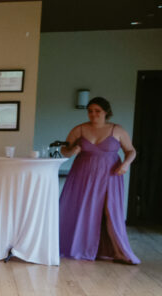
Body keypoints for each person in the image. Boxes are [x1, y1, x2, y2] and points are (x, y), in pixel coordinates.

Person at [59, 96, 140, 264]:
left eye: (97, 111)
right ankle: (79, 246)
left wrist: (125, 164)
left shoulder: (117, 130)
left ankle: (117, 251)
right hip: (82, 175)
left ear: (106, 112)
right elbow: (63, 150)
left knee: (109, 210)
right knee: (82, 209)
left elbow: (131, 150)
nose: (93, 114)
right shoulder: (79, 129)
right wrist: (72, 151)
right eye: (90, 111)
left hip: (109, 175)